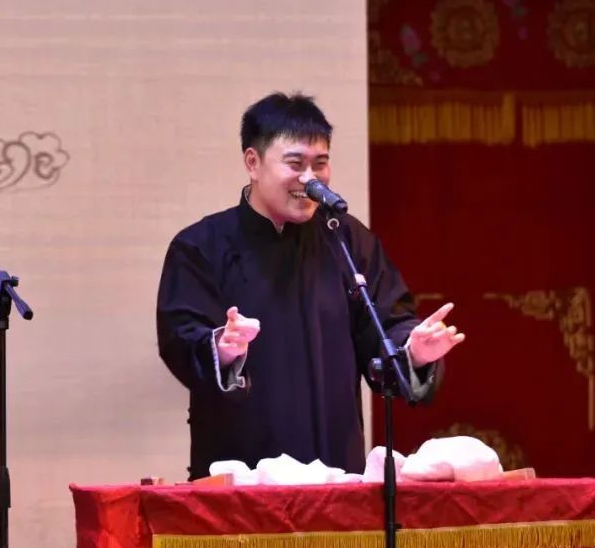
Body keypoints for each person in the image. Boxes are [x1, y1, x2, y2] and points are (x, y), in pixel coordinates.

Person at [156, 92, 464, 480]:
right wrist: (221, 348)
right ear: (253, 162)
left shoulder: (348, 241)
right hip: (241, 474)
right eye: (295, 164)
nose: (310, 178)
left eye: (320, 163)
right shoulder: (201, 246)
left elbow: (386, 324)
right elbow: (180, 337)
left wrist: (413, 351)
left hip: (335, 470)